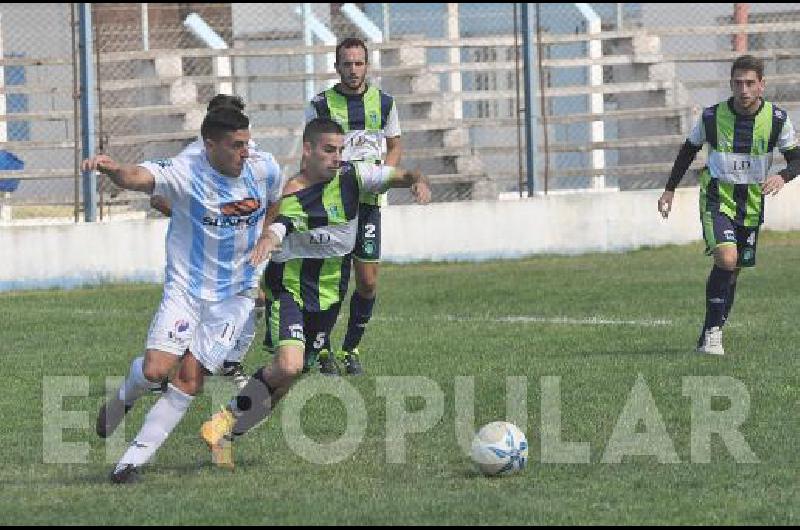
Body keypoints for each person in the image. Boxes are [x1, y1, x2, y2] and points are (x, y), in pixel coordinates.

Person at [200, 117, 430, 468]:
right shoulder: (292, 192)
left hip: (329, 298)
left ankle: (225, 436)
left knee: (283, 385)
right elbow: (278, 226)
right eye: (328, 150)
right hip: (290, 290)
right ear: (307, 150)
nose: (336, 157)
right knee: (289, 366)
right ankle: (225, 420)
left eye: (340, 150)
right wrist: (266, 241)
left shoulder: (354, 177)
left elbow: (401, 175)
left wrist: (417, 182)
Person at [86, 107, 284, 483]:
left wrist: (265, 234)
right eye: (236, 145)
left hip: (236, 295)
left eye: (247, 142)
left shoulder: (264, 165)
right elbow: (140, 178)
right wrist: (112, 171)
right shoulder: (186, 170)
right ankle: (124, 399)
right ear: (209, 145)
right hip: (188, 289)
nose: (246, 151)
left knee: (191, 377)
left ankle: (131, 462)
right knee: (156, 370)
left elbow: (277, 199)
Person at [658, 54, 799, 355]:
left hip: (751, 204)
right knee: (726, 258)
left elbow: (796, 158)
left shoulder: (777, 120)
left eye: (750, 83)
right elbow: (688, 150)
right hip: (716, 198)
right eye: (738, 83)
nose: (744, 89)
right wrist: (669, 189)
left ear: (762, 85)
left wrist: (783, 176)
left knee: (733, 270)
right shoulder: (711, 117)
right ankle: (713, 334)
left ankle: (711, 332)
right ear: (731, 84)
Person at [302, 37, 402, 376]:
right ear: (336, 67)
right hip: (332, 207)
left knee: (368, 281)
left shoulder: (385, 103)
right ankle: (323, 347)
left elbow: (395, 145)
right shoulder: (320, 105)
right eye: (347, 63)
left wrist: (384, 174)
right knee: (331, 280)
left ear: (367, 65)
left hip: (369, 205)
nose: (353, 70)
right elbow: (311, 152)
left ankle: (350, 348)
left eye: (359, 63)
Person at [151, 94, 264, 390]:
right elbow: (158, 196)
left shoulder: (252, 156)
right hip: (199, 257)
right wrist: (198, 218)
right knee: (194, 311)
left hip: (242, 252)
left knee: (253, 302)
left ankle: (228, 362)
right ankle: (173, 368)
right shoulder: (190, 158)